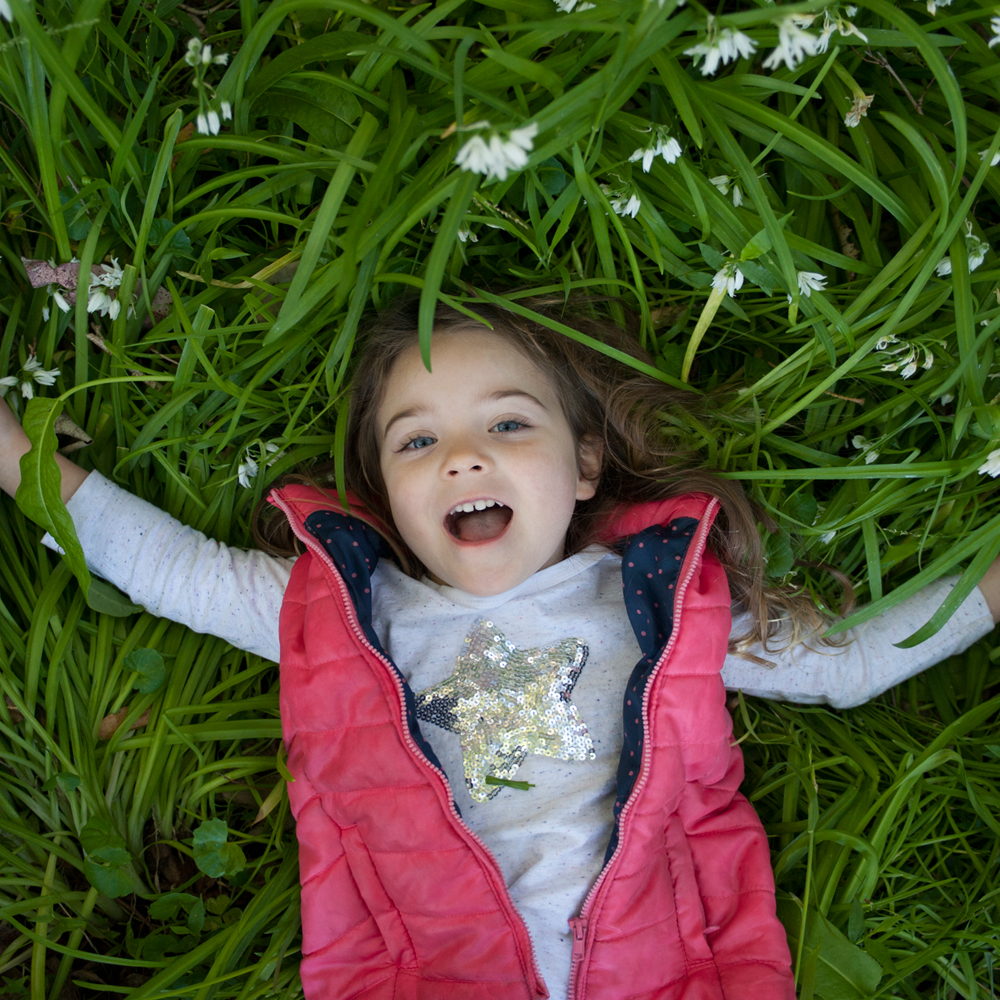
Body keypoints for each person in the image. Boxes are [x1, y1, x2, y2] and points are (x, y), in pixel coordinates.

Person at [1, 296, 997, 1000]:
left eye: (507, 423)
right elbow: (167, 566)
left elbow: (853, 664)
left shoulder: (657, 597)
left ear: (583, 466)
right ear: (385, 493)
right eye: (416, 441)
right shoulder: (341, 614)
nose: (462, 455)